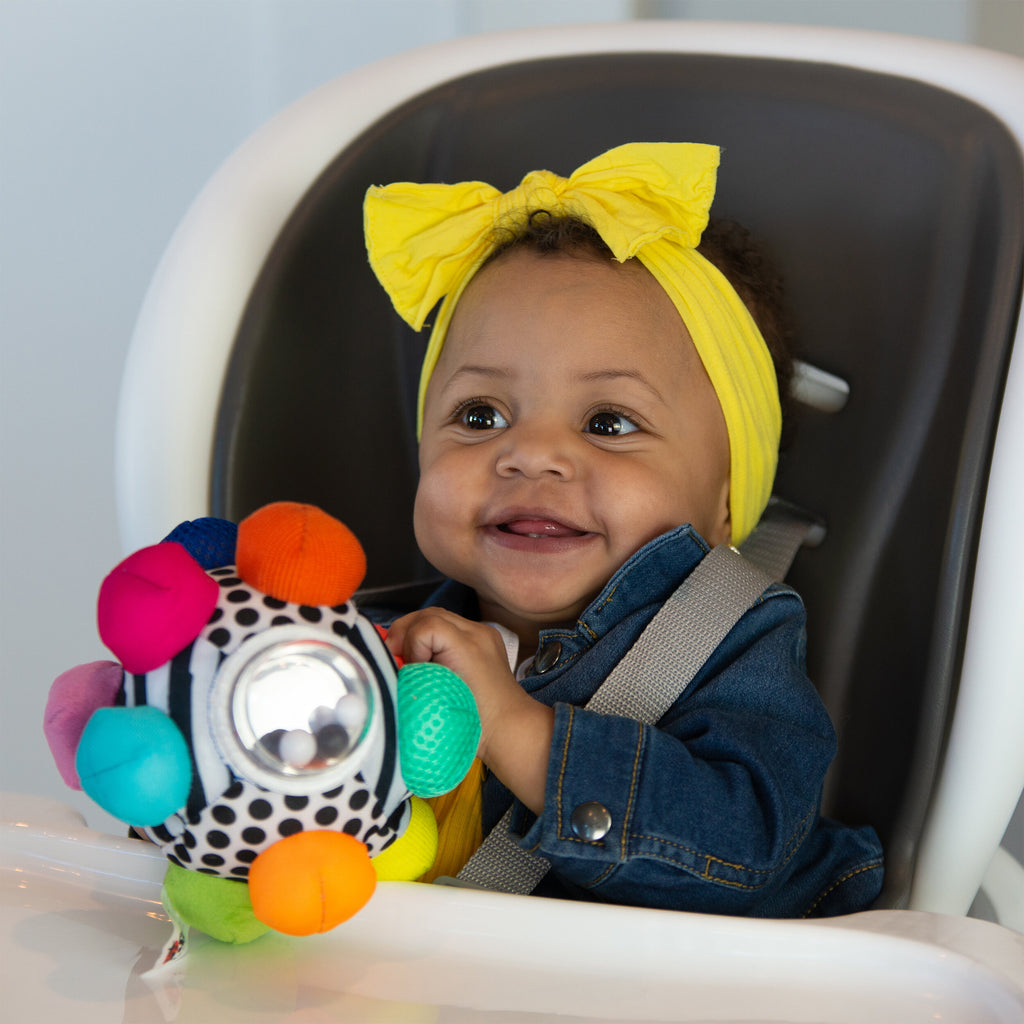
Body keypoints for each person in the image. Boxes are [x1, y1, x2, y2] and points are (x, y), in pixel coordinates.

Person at [362, 142, 884, 917]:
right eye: (480, 416)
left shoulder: (732, 644)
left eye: (608, 422)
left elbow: (746, 843)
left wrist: (510, 724)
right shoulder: (377, 646)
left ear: (726, 501)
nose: (530, 452)